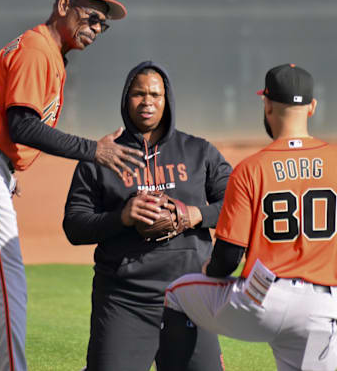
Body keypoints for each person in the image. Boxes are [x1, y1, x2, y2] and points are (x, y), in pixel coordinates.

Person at [0, 0, 145, 371]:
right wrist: (93, 150)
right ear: (63, 6)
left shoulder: (46, 52)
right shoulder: (38, 49)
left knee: (0, 286)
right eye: (91, 15)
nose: (97, 28)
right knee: (8, 286)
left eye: (103, 23)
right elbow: (23, 126)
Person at [156, 64, 337, 371]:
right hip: (320, 308)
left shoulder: (251, 169)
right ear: (312, 107)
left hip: (262, 299)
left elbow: (229, 255)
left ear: (267, 104)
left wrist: (212, 269)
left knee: (176, 294)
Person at [63, 61, 233, 371]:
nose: (147, 102)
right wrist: (122, 217)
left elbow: (239, 204)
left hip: (190, 295)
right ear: (126, 99)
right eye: (138, 94)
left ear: (167, 101)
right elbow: (74, 226)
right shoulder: (102, 156)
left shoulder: (198, 152)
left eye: (155, 94)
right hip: (124, 298)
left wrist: (194, 214)